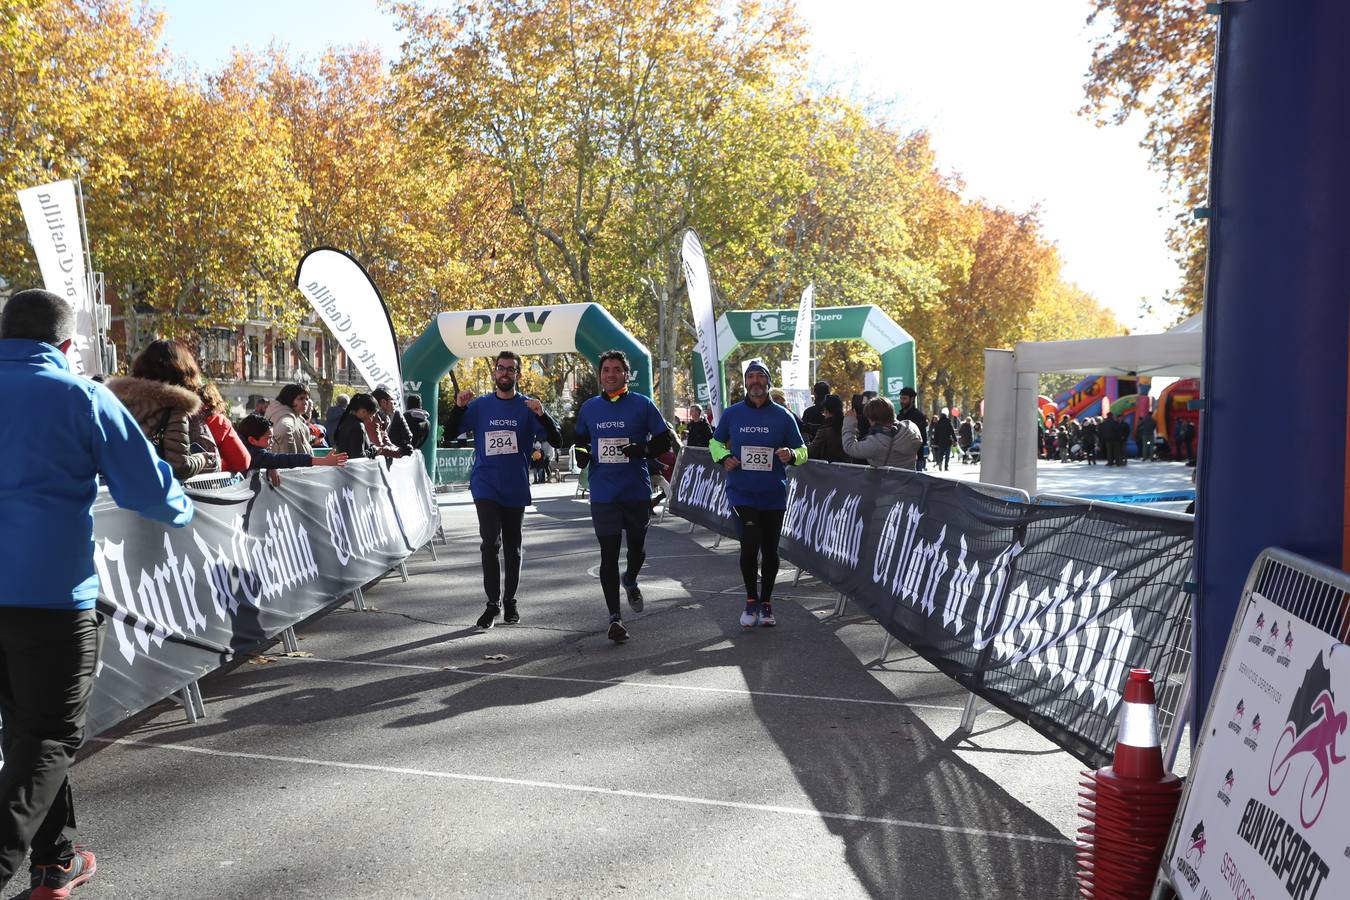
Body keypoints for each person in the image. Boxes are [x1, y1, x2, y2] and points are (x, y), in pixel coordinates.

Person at [0, 289, 194, 899]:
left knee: (24, 736)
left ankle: (55, 862)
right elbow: (148, 491)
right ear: (64, 345)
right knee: (49, 737)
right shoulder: (82, 396)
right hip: (50, 597)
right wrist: (186, 508)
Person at [444, 351, 561, 630]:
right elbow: (448, 435)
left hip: (514, 485)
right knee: (489, 543)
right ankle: (492, 604)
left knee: (513, 547)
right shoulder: (480, 406)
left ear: (518, 375)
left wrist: (543, 415)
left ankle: (511, 600)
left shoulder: (528, 407)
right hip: (485, 484)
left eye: (511, 369)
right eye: (501, 368)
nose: (505, 373)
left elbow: (556, 438)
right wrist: (459, 408)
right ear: (494, 373)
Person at [573, 350, 672, 642]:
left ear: (626, 374)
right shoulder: (590, 408)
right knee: (608, 555)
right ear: (600, 375)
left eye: (616, 369)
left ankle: (630, 579)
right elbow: (580, 439)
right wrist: (581, 455)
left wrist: (641, 450)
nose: (610, 374)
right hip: (604, 493)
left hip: (635, 491)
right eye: (605, 370)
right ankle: (614, 619)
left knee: (637, 550)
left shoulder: (643, 405)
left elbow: (664, 442)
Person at [709, 360, 806, 629]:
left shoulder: (783, 416)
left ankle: (767, 602)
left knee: (770, 550)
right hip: (742, 492)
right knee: (750, 545)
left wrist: (792, 455)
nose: (755, 382)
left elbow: (803, 450)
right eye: (750, 377)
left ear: (767, 382)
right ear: (745, 383)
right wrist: (724, 457)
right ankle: (751, 599)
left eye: (759, 377)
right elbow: (715, 443)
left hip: (773, 493)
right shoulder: (732, 414)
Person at [107, 340, 219, 479]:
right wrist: (203, 459)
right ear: (185, 371)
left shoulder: (116, 400)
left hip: (112, 489)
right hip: (150, 492)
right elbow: (179, 467)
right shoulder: (175, 406)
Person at [843, 396, 922, 470]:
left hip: (885, 483)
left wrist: (849, 421)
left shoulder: (875, 443)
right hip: (909, 481)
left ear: (872, 419)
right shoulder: (911, 428)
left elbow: (849, 447)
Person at [198, 382, 251, 474]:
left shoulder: (172, 414)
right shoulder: (218, 421)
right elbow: (242, 462)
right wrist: (219, 465)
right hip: (203, 482)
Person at [266, 383, 313, 455]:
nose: (305, 402)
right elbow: (283, 430)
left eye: (307, 399)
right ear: (289, 400)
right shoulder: (286, 416)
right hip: (292, 465)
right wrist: (291, 457)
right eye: (300, 398)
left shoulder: (295, 415)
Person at [333, 394, 381, 460]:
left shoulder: (346, 420)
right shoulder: (358, 427)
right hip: (354, 469)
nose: (372, 419)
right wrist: (374, 450)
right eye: (372, 415)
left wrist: (371, 446)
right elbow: (358, 457)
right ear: (363, 411)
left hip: (345, 468)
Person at [806, 394, 851, 463]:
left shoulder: (825, 430)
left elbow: (811, 452)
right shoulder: (848, 427)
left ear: (826, 410)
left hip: (829, 470)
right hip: (848, 468)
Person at [372, 386, 413, 457]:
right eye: (393, 400)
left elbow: (386, 442)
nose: (395, 404)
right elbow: (379, 446)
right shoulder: (372, 419)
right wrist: (400, 452)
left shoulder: (383, 418)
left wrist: (399, 449)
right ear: (383, 402)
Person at [896, 387, 928, 470]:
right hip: (900, 458)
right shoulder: (899, 416)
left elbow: (923, 439)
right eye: (901, 398)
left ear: (912, 399)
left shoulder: (919, 416)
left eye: (904, 398)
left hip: (915, 458)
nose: (902, 401)